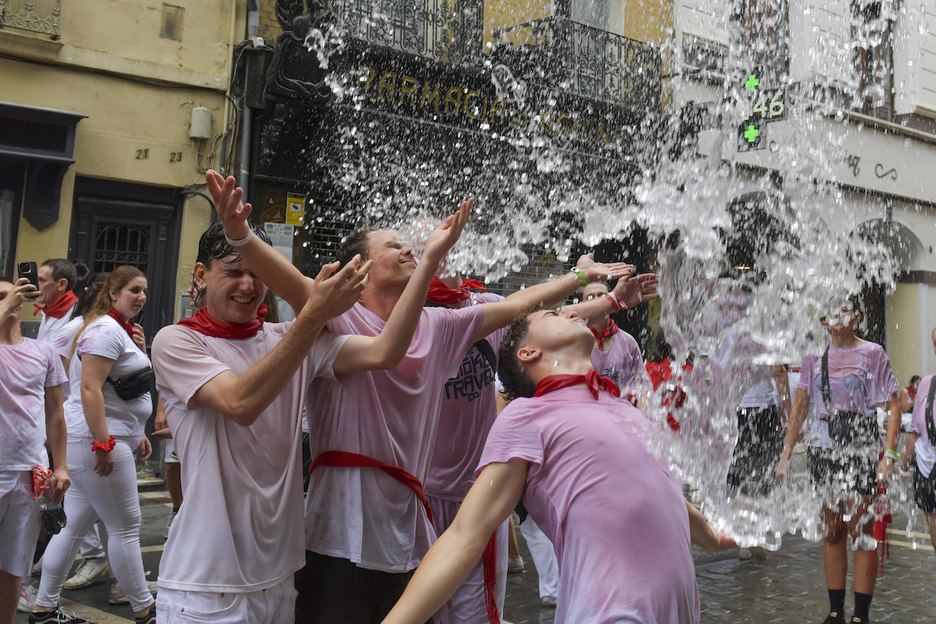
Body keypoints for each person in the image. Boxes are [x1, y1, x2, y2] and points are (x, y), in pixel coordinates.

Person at [206, 170, 643, 624]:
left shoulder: (439, 326)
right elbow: (286, 277)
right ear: (360, 268)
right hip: (338, 533)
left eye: (408, 243)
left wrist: (578, 275)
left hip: (412, 534)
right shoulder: (337, 314)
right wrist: (240, 234)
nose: (407, 248)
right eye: (392, 245)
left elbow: (518, 305)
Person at [150, 194, 469, 624]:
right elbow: (241, 402)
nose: (247, 285)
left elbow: (386, 352)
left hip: (281, 579)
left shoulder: (288, 336)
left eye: (255, 274)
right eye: (233, 273)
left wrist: (429, 258)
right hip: (205, 586)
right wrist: (312, 314)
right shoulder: (177, 340)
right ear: (201, 276)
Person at [380, 304, 735, 624]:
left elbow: (659, 490)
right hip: (608, 612)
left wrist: (713, 537)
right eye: (554, 315)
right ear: (529, 352)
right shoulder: (527, 414)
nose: (572, 312)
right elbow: (464, 536)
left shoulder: (623, 408)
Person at [32, 267, 157, 624]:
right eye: (134, 290)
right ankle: (145, 610)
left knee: (72, 528)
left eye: (145, 290)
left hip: (95, 440)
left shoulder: (115, 329)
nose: (142, 297)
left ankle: (43, 609)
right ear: (114, 292)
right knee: (124, 526)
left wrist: (138, 431)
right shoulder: (104, 329)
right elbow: (89, 388)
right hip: (96, 444)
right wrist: (104, 443)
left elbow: (116, 390)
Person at [776, 296, 901, 624]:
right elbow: (801, 404)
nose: (837, 314)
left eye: (844, 308)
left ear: (857, 316)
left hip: (860, 450)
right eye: (831, 309)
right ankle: (835, 611)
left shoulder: (872, 353)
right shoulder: (813, 356)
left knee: (861, 531)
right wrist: (787, 453)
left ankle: (861, 614)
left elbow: (894, 407)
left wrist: (888, 455)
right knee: (832, 532)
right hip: (822, 451)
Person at [0, 277, 69, 624]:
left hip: (31, 473)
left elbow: (56, 414)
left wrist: (61, 467)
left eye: (13, 293)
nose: (10, 300)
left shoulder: (43, 351)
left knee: (15, 567)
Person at [581, 280, 650, 402]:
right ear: (582, 304)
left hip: (621, 416)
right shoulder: (577, 344)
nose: (598, 300)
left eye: (602, 295)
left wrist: (641, 415)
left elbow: (644, 386)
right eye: (590, 297)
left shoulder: (628, 342)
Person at [901, 328, 936, 553]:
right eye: (935, 343)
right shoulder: (926, 383)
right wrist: (900, 464)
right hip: (927, 465)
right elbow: (914, 431)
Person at [35, 260, 79, 344]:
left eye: (42, 280)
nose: (35, 285)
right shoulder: (48, 308)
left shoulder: (77, 313)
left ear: (62, 284)